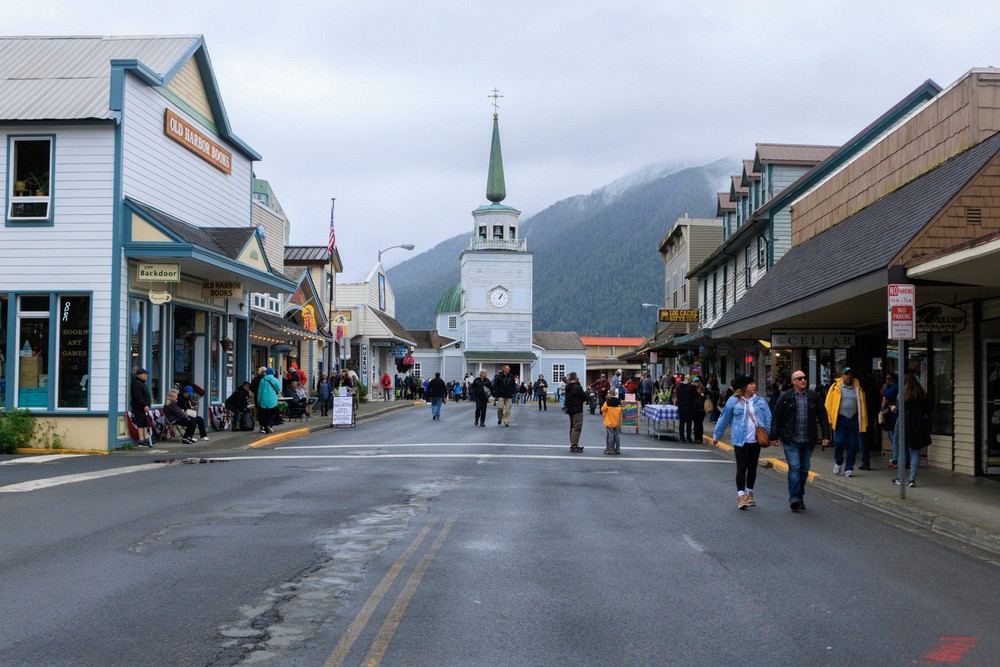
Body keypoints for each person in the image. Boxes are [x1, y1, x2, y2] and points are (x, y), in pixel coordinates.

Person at [770, 370, 831, 512]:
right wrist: (774, 436)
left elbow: (822, 416)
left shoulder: (813, 396)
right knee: (795, 467)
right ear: (793, 382)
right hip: (791, 440)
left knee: (804, 470)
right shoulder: (786, 397)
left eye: (804, 377)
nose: (803, 380)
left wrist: (826, 436)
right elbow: (776, 417)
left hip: (808, 440)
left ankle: (799, 496)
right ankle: (794, 499)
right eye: (800, 378)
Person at [713, 374, 771, 510]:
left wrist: (772, 437)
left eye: (754, 383)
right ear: (744, 387)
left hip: (756, 440)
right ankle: (741, 495)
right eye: (751, 384)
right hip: (740, 439)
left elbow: (768, 418)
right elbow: (724, 418)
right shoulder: (733, 401)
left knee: (752, 467)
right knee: (741, 467)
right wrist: (717, 435)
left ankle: (749, 493)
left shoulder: (760, 401)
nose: (754, 386)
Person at [824, 367, 868, 477]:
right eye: (846, 374)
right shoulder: (835, 388)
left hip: (853, 419)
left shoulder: (858, 388)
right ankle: (838, 462)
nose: (848, 376)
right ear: (842, 376)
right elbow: (828, 404)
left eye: (850, 374)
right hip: (840, 419)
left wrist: (863, 420)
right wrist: (828, 419)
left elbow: (863, 405)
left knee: (852, 445)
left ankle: (849, 467)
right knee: (839, 442)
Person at [895, 373, 932, 488]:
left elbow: (899, 410)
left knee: (903, 453)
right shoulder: (921, 394)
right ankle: (912, 479)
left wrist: (893, 408)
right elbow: (927, 409)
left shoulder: (902, 395)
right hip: (919, 425)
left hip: (905, 425)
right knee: (915, 452)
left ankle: (900, 478)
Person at [564, 371, 588, 452]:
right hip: (577, 409)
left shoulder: (567, 387)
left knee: (572, 427)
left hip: (570, 409)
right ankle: (574, 445)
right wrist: (579, 383)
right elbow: (584, 397)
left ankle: (573, 444)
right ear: (576, 378)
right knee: (577, 427)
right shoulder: (577, 387)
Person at [130, 368, 153, 446]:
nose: (146, 375)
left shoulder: (142, 383)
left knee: (145, 423)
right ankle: (141, 439)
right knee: (140, 423)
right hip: (139, 407)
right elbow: (138, 396)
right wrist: (144, 405)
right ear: (141, 375)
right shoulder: (136, 383)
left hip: (144, 407)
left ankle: (146, 438)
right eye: (145, 374)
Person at [881, 372, 900, 468]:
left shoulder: (895, 386)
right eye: (887, 379)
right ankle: (895, 456)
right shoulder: (890, 387)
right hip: (889, 413)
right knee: (891, 434)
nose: (887, 381)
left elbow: (886, 393)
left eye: (889, 379)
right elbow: (882, 393)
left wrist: (885, 388)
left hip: (894, 413)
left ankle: (896, 458)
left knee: (894, 436)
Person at [256, 367, 282, 434]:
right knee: (272, 414)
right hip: (272, 400)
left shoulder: (262, 380)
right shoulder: (275, 380)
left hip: (263, 400)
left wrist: (258, 400)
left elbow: (259, 391)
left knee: (264, 414)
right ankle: (269, 425)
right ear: (273, 373)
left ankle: (265, 428)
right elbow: (279, 389)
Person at [673, 375, 697, 443]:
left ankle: (682, 438)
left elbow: (677, 396)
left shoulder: (678, 387)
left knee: (681, 423)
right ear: (689, 380)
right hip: (689, 407)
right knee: (689, 423)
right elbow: (695, 396)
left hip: (681, 407)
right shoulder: (691, 387)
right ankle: (688, 438)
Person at [602, 390, 623, 455]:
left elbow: (603, 409)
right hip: (616, 421)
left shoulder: (607, 402)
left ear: (609, 394)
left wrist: (605, 414)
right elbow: (621, 410)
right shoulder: (619, 401)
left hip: (609, 421)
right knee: (617, 435)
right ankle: (617, 449)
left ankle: (610, 449)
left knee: (610, 435)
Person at [691, 376, 708, 443]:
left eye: (697, 382)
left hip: (701, 409)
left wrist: (704, 396)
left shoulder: (703, 389)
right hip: (694, 409)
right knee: (695, 424)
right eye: (695, 382)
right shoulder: (692, 389)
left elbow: (710, 395)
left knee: (700, 424)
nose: (696, 383)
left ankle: (700, 438)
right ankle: (696, 438)